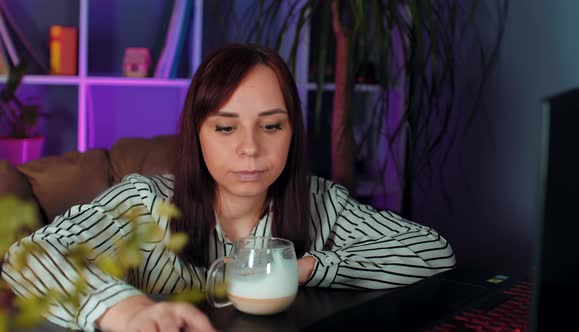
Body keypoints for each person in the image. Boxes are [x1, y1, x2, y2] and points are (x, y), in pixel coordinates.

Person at [1, 44, 455, 332]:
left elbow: (432, 250)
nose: (251, 149)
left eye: (271, 126)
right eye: (225, 128)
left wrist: (300, 269)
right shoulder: (144, 202)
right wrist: (126, 310)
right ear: (197, 134)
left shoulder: (320, 201)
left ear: (292, 132)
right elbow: (27, 258)